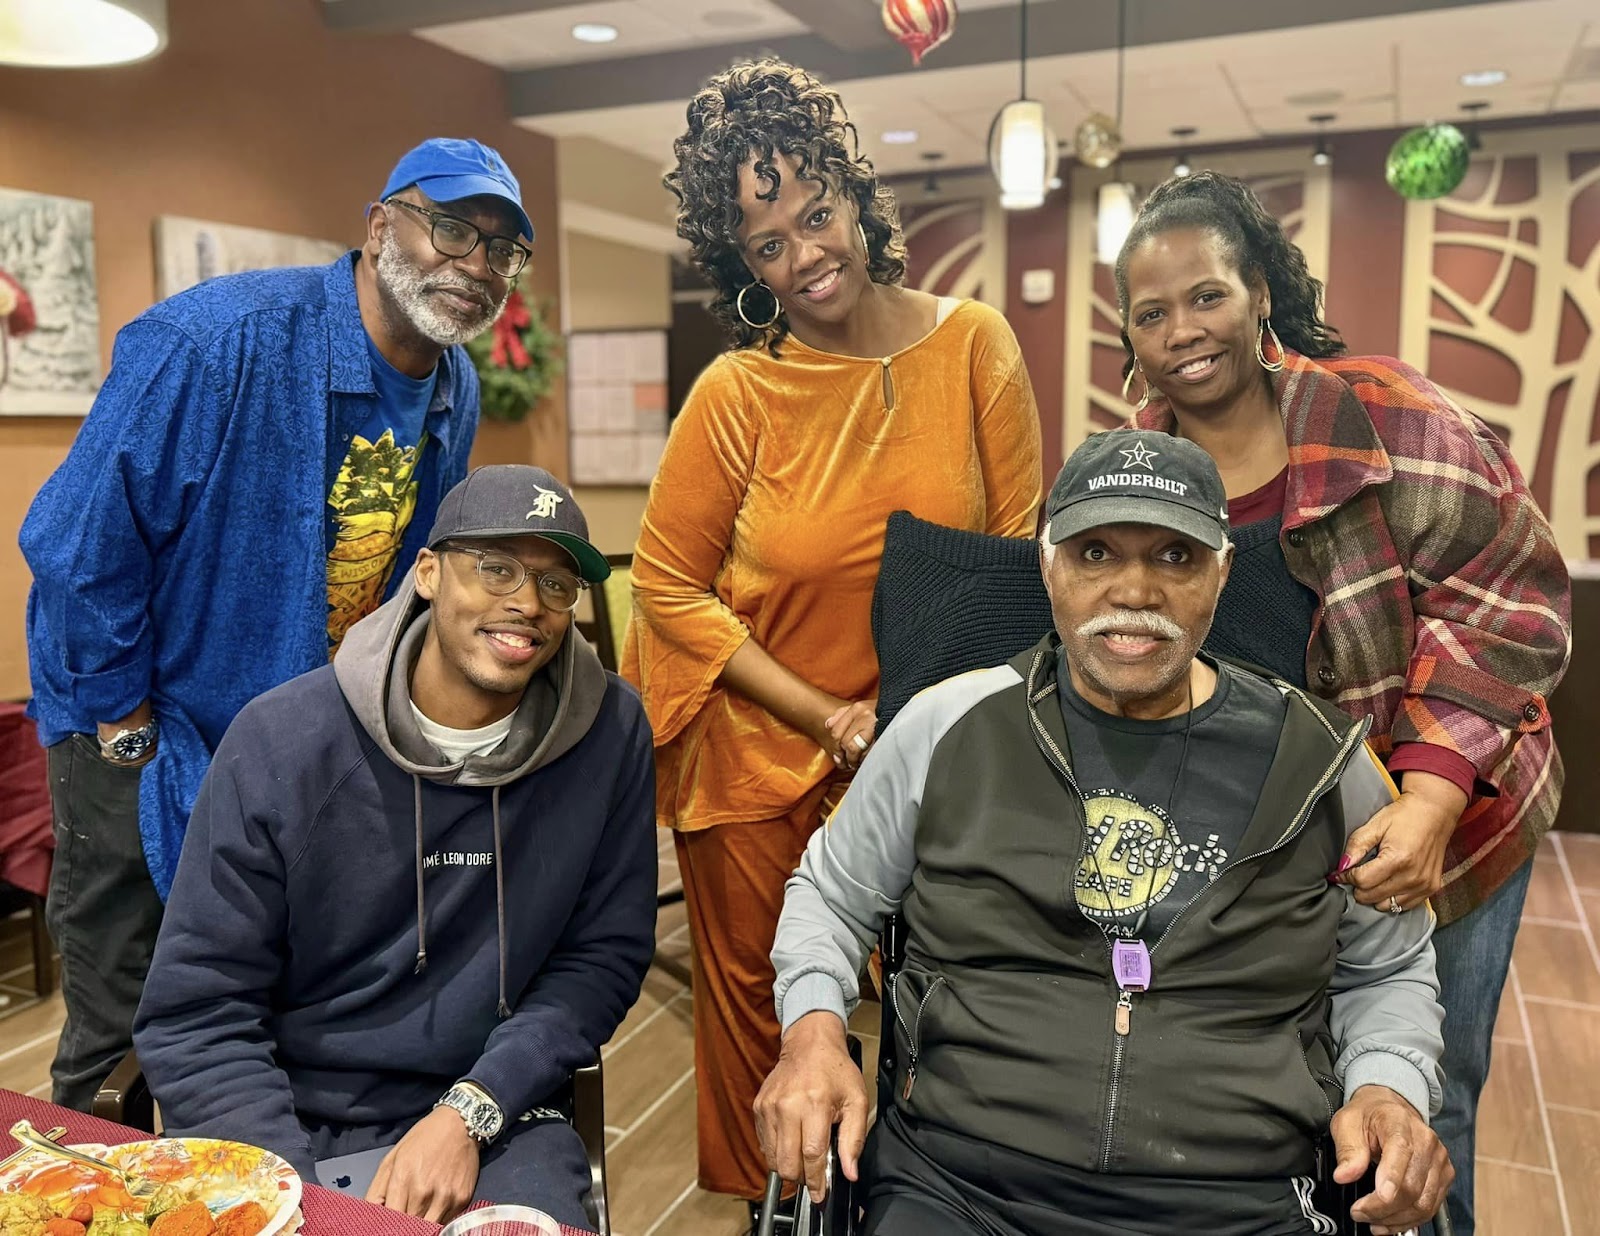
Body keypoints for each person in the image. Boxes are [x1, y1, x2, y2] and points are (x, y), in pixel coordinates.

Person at [758, 430, 1452, 1236]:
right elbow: (832, 898)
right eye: (1095, 553)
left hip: (1238, 1195)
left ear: (1222, 573)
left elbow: (1386, 966)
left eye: (1174, 557)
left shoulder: (1323, 764)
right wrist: (811, 1036)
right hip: (959, 1181)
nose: (1134, 590)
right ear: (1048, 567)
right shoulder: (943, 727)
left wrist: (1386, 1089)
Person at [21, 137, 534, 1112]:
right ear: (381, 224)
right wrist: (127, 726)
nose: (477, 265)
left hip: (288, 738)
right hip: (136, 728)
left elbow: (405, 577)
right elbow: (74, 546)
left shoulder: (450, 385)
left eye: (503, 248)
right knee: (126, 1029)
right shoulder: (214, 345)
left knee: (253, 1004)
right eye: (456, 229)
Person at [621, 57, 1043, 1219]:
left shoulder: (974, 346)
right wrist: (825, 715)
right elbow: (664, 584)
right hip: (759, 761)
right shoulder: (738, 395)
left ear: (857, 200)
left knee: (939, 1022)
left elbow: (1019, 566)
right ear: (740, 265)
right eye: (768, 242)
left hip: (937, 758)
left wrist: (944, 737)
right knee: (771, 1047)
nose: (805, 254)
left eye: (816, 213)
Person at [1114, 171, 1570, 1236]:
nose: (1182, 330)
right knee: (1309, 1098)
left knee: (1422, 1101)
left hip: (1456, 824)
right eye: (1150, 311)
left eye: (1206, 296)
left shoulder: (1383, 411)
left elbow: (1511, 596)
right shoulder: (1142, 474)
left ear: (1259, 292)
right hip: (1281, 847)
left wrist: (1429, 796)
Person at [132, 466, 657, 1228]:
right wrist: (301, 1200)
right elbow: (199, 1010)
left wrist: (470, 1112)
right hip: (286, 1110)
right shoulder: (282, 740)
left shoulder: (610, 731)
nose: (526, 603)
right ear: (428, 572)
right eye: (496, 567)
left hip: (498, 1110)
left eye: (555, 584)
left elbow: (602, 956)